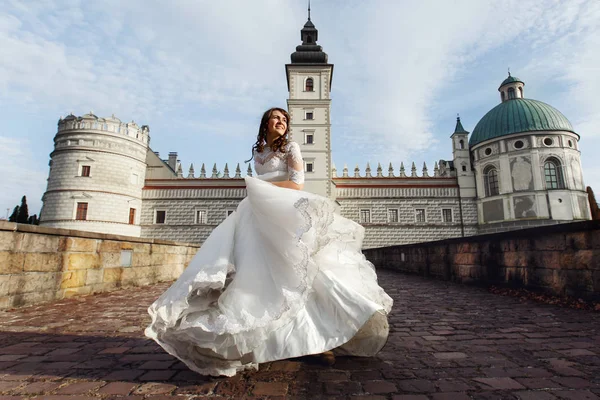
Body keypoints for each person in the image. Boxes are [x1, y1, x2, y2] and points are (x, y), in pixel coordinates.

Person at [145, 107, 393, 377]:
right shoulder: (259, 153)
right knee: (260, 275)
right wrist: (258, 190)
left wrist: (261, 187)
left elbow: (297, 183)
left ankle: (316, 340)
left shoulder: (292, 148)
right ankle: (273, 341)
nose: (282, 122)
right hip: (256, 214)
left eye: (285, 119)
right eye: (276, 118)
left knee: (297, 272)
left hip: (283, 212)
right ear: (265, 124)